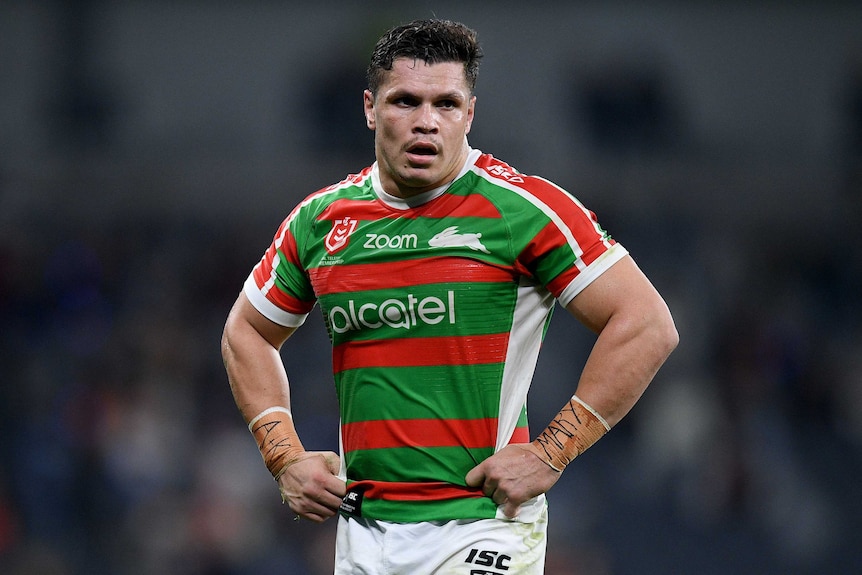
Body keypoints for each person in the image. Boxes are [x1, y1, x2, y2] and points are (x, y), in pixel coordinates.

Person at [222, 18, 678, 574]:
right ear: (369, 108)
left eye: (446, 104)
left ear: (470, 113)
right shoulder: (321, 222)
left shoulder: (521, 210)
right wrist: (283, 456)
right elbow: (246, 331)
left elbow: (646, 322)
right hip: (365, 531)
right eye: (405, 101)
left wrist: (553, 451)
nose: (426, 123)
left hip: (485, 523)